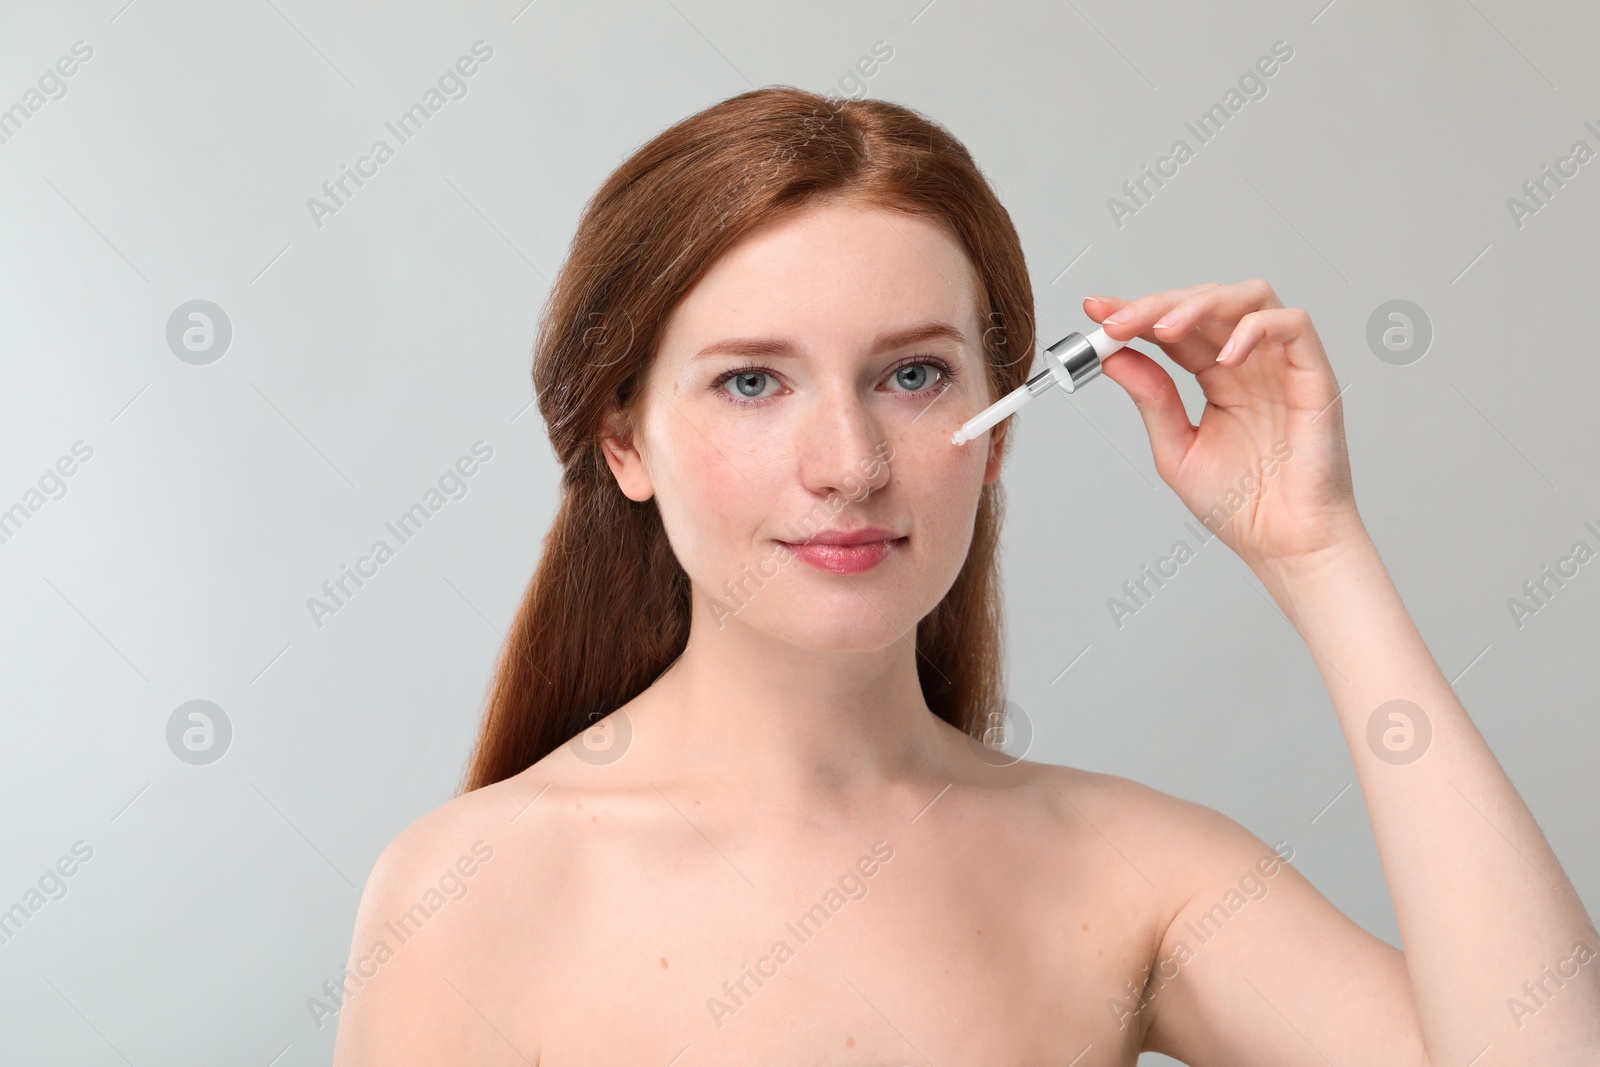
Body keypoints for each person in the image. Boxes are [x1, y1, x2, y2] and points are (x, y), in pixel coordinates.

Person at [331, 87, 1600, 1065]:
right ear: (624, 441)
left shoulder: (1131, 872)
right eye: (752, 381)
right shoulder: (473, 891)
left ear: (1000, 420)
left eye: (914, 374)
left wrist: (1319, 551)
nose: (850, 464)